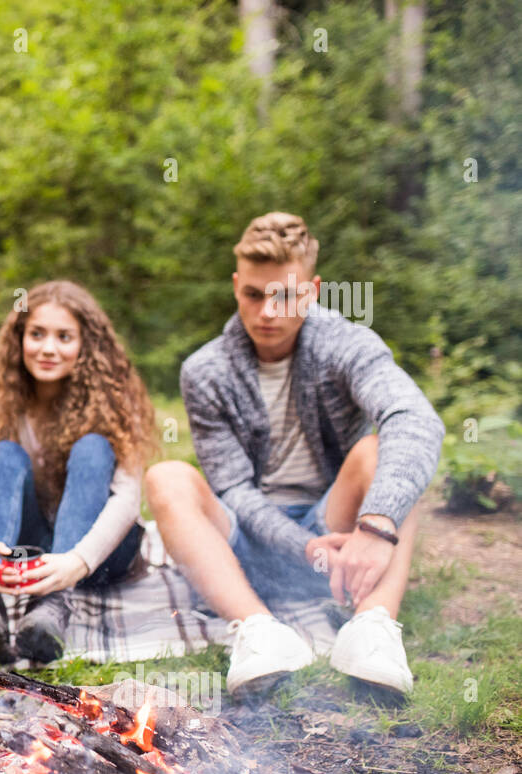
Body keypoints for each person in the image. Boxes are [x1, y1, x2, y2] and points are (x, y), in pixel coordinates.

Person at [145, 212, 444, 698]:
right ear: (236, 285)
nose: (268, 312)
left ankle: (372, 627)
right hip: (247, 546)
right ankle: (259, 631)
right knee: (166, 477)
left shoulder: (347, 344)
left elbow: (415, 418)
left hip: (339, 535)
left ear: (313, 289)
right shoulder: (205, 370)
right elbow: (233, 490)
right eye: (254, 294)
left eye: (285, 295)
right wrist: (300, 546)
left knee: (382, 452)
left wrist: (376, 525)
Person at [0, 280, 155, 666]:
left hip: (102, 555)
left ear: (86, 346)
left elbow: (128, 500)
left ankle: (54, 605)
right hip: (30, 550)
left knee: (93, 447)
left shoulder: (113, 407)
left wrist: (76, 562)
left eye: (64, 337)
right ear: (19, 339)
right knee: (6, 453)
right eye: (37, 334)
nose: (48, 348)